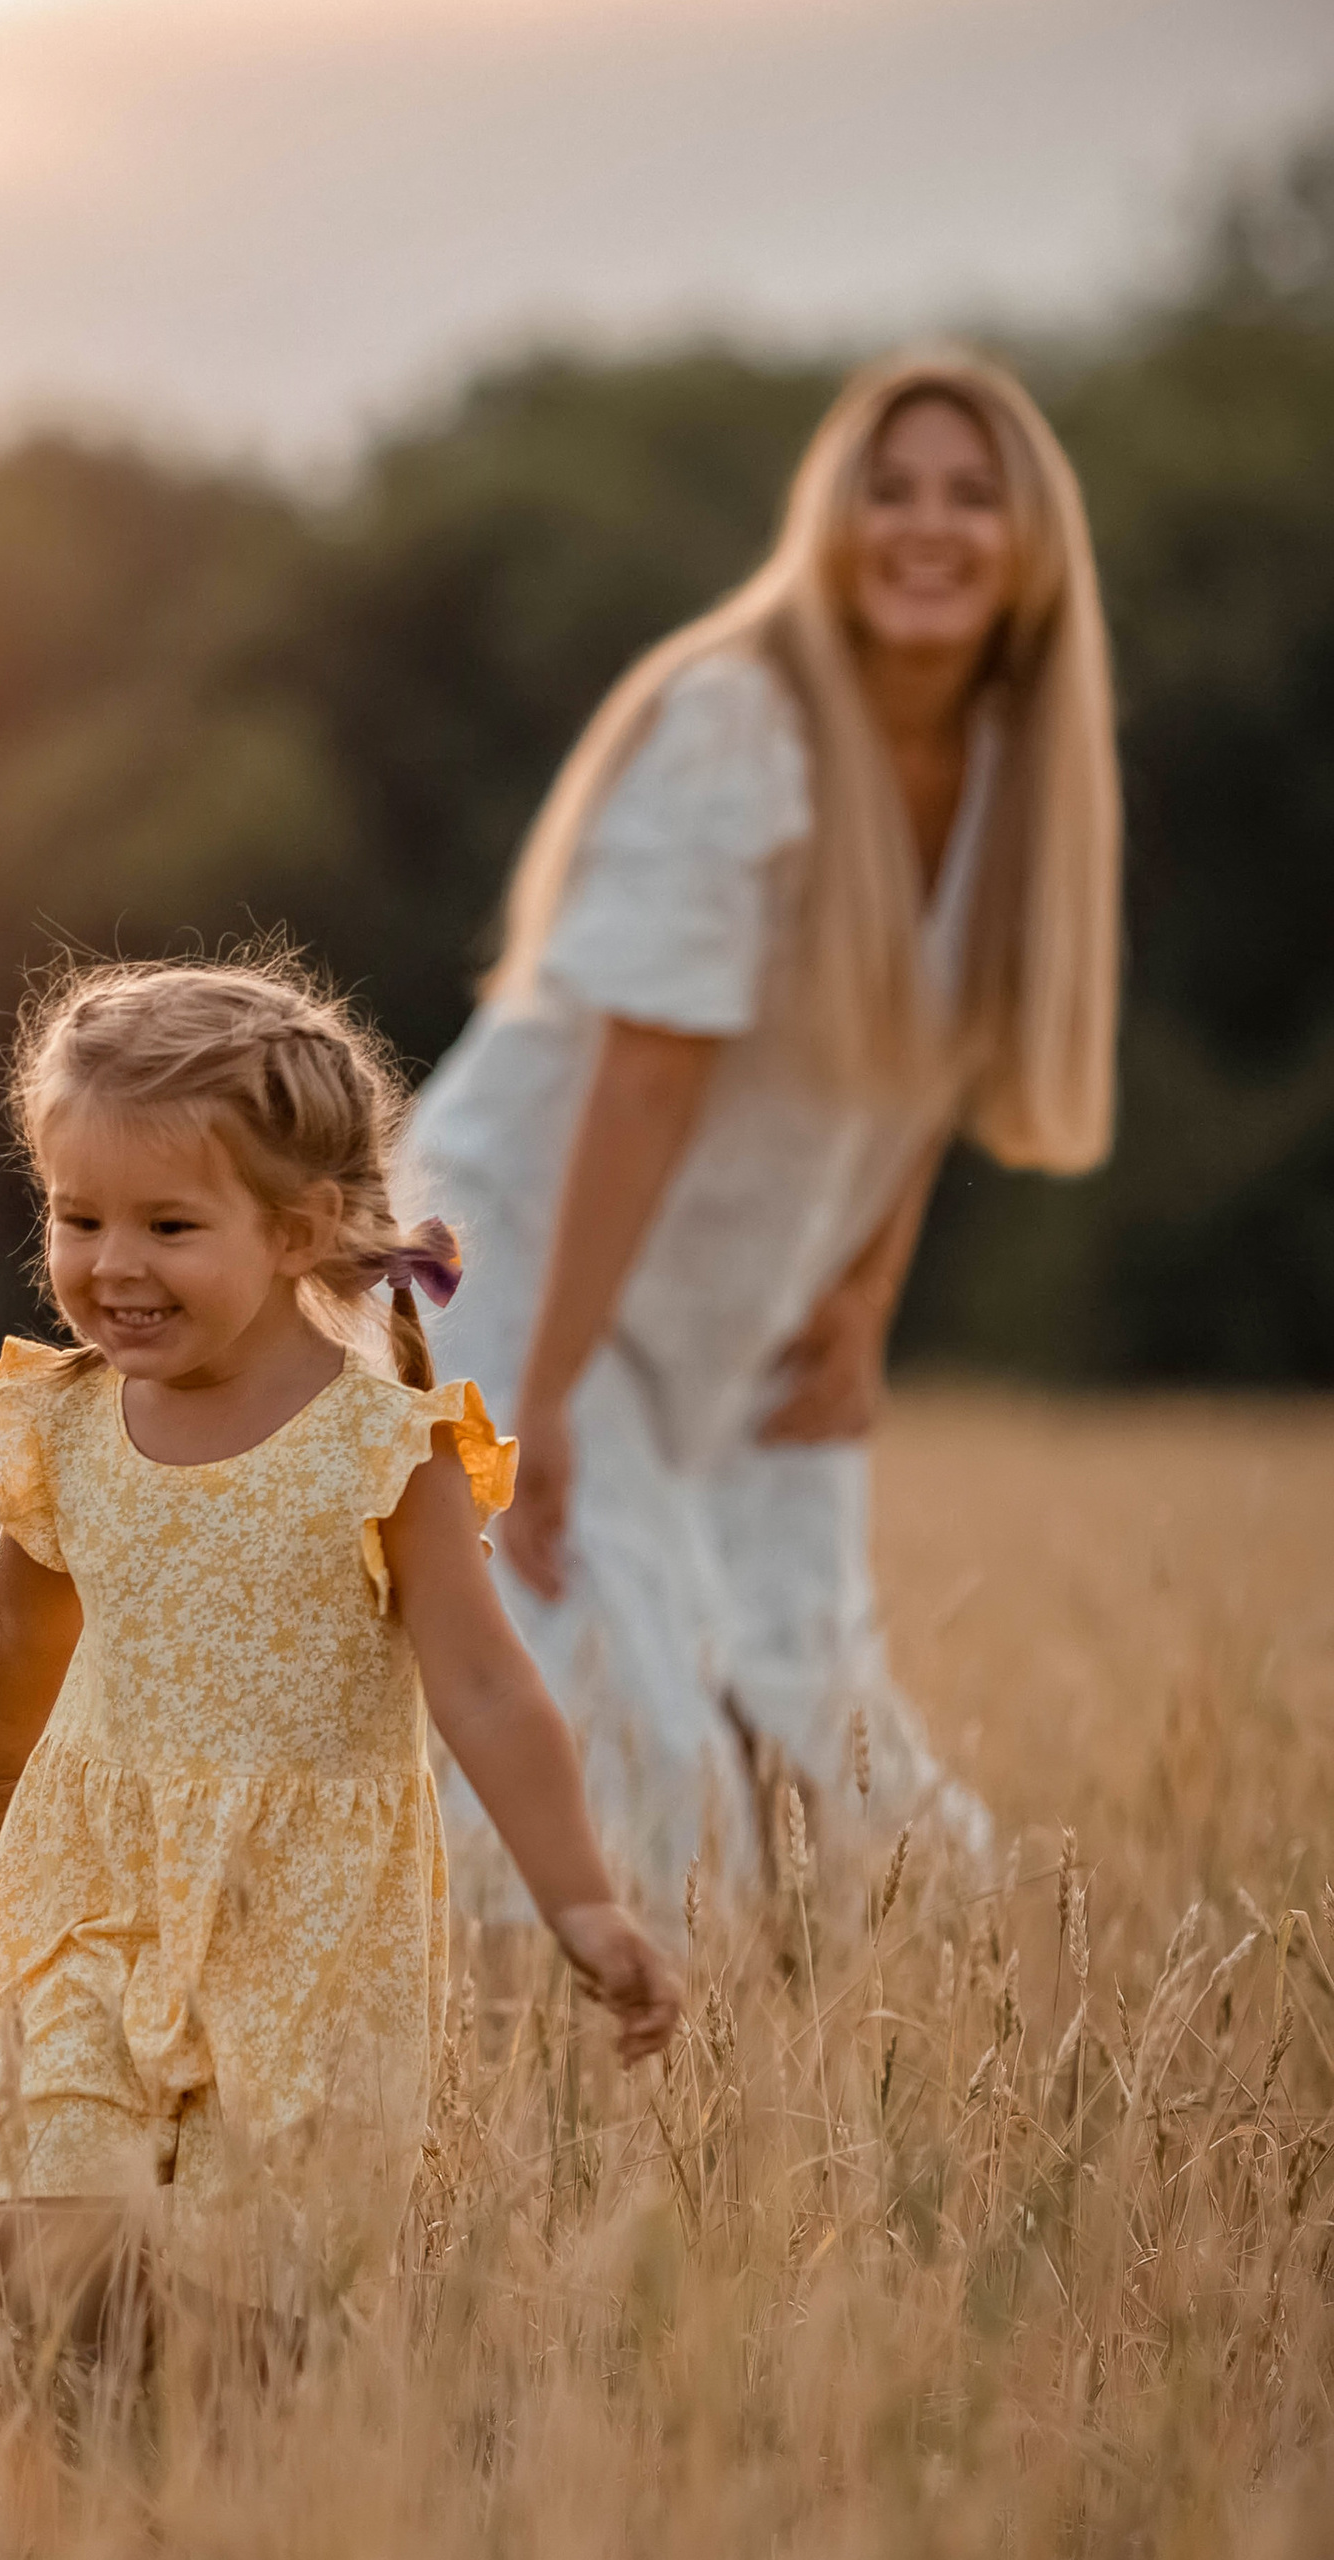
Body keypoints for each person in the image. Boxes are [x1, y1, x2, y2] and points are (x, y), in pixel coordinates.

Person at [407, 347, 1122, 1908]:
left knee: (828, 1722)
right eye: (891, 488)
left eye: (971, 494)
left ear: (1032, 544)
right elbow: (645, 1078)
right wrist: (537, 1398)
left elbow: (919, 1080)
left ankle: (815, 2059)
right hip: (522, 1267)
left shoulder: (1019, 776)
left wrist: (861, 1305)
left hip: (743, 1299)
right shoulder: (740, 721)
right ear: (832, 522)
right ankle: (515, 2088)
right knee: (618, 1723)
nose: (927, 527)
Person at [0, 957, 679, 2358]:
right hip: (92, 1879)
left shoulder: (384, 1450)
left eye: (167, 1223)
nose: (111, 1263)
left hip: (308, 1920)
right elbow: (17, 1620)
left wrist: (582, 1903)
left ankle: (230, 2454)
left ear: (300, 1231)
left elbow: (490, 1686)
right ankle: (37, 2427)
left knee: (247, 2279)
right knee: (35, 2176)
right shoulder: (69, 1423)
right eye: (77, 1216)